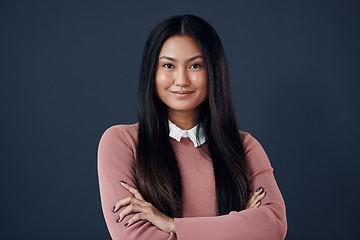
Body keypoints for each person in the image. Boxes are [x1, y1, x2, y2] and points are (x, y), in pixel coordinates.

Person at [98, 14, 287, 240]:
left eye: (195, 65)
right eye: (168, 65)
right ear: (152, 72)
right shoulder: (122, 143)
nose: (181, 79)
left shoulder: (244, 147)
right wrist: (239, 225)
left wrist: (172, 225)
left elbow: (274, 225)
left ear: (214, 71)